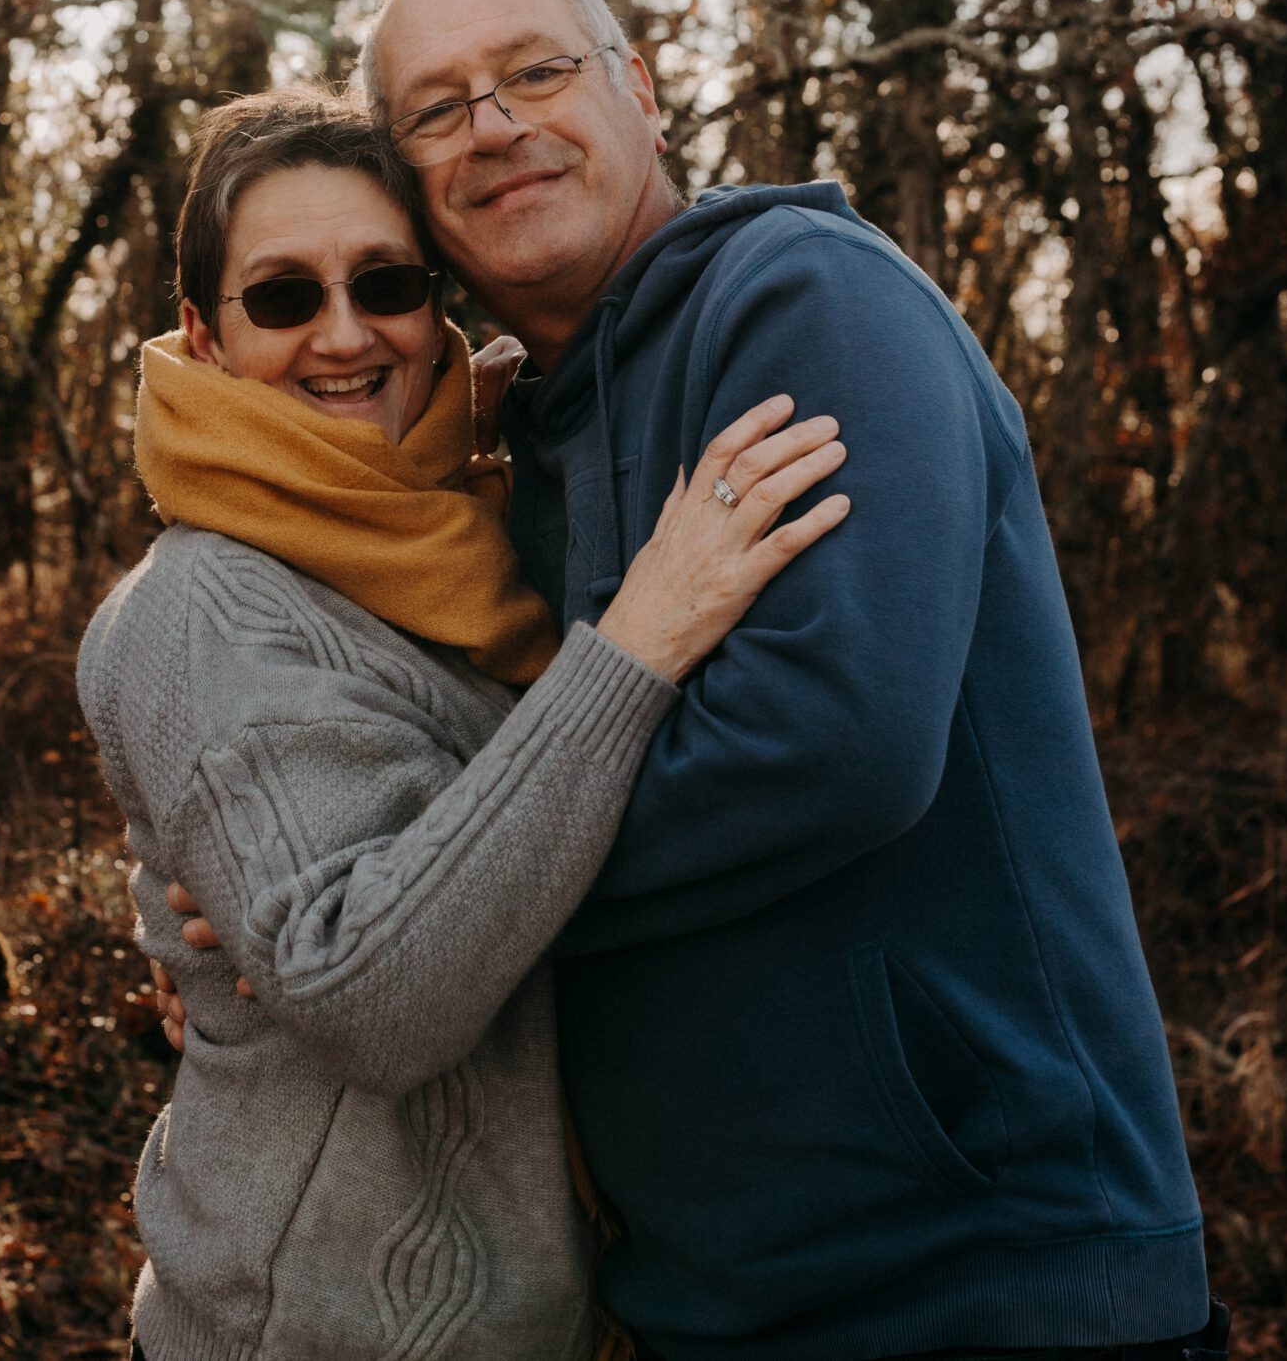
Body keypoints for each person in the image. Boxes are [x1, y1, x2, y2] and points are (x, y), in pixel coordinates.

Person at [314, 0, 1223, 1360]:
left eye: (534, 71)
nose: (491, 125)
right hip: (701, 1301)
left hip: (982, 1279)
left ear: (640, 91)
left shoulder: (802, 298)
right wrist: (312, 896)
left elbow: (830, 739)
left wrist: (422, 912)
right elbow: (450, 762)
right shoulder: (504, 449)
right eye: (436, 109)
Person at [73, 87, 850, 1361]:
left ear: (437, 311)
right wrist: (641, 640)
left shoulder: (452, 542)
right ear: (203, 337)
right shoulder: (205, 606)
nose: (343, 334)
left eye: (385, 285)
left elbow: (478, 855)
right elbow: (373, 996)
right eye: (282, 297)